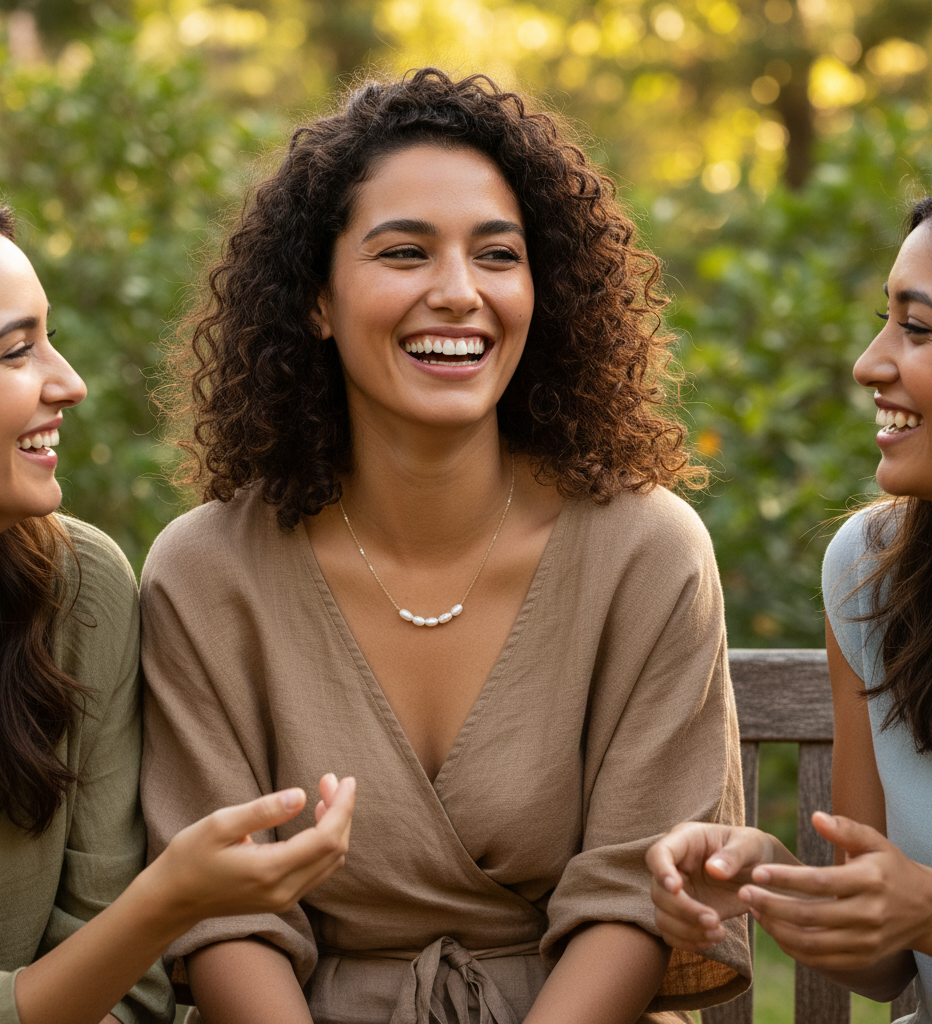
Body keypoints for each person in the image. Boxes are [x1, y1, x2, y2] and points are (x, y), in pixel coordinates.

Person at [140, 68, 749, 1024]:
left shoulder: (647, 551)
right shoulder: (208, 573)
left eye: (498, 255)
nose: (459, 294)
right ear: (317, 300)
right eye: (404, 253)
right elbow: (226, 922)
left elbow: (636, 904)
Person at [0, 187, 355, 1024]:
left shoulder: (81, 591)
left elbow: (132, 999)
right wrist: (169, 900)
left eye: (52, 340)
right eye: (15, 353)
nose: (68, 384)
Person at [647, 197, 932, 1021]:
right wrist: (768, 878)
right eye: (886, 321)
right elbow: (884, 965)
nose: (869, 363)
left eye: (920, 329)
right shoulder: (869, 575)